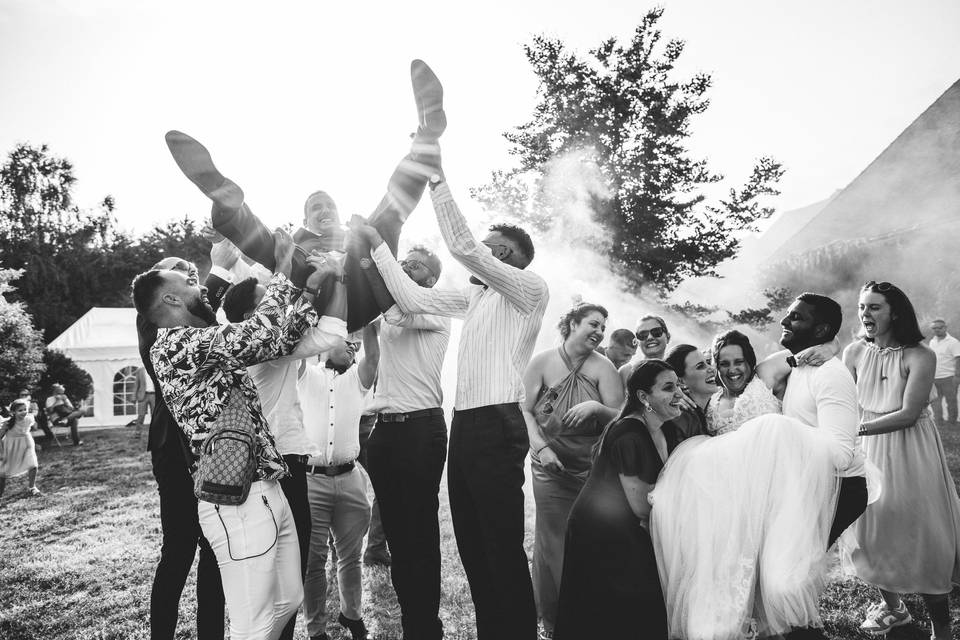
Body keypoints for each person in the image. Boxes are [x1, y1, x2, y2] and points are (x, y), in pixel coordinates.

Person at [355, 160, 548, 639]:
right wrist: (379, 246)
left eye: (497, 251)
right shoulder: (474, 300)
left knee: (500, 545)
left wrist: (437, 179)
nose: (484, 254)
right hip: (463, 426)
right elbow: (412, 299)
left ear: (515, 263)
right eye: (488, 248)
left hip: (498, 423)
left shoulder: (529, 290)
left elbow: (463, 247)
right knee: (473, 546)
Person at [135, 230, 325, 640]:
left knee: (288, 600)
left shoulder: (205, 341)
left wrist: (307, 294)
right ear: (169, 300)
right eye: (188, 282)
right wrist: (283, 271)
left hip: (267, 485)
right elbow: (260, 333)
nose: (200, 284)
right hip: (236, 500)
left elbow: (275, 337)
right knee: (251, 621)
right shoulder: (174, 344)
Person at [163, 59, 445, 332]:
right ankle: (227, 202)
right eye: (316, 208)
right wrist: (232, 241)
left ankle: (426, 138)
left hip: (367, 292)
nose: (325, 211)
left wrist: (357, 242)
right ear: (306, 219)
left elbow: (380, 227)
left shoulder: (355, 235)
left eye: (330, 206)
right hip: (321, 303)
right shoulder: (300, 243)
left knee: (384, 219)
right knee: (281, 252)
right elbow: (246, 271)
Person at [652, 319, 852, 640]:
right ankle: (755, 627)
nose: (733, 370)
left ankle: (789, 627)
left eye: (739, 362)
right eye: (724, 363)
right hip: (734, 499)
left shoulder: (765, 376)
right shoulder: (709, 399)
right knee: (744, 572)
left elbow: (802, 351)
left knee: (780, 572)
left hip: (775, 491)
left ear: (750, 361)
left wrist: (831, 347)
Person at [221, 250, 348, 640]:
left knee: (276, 573)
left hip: (273, 461)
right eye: (267, 299)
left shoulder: (254, 344)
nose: (280, 304)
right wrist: (337, 279)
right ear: (249, 318)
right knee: (281, 568)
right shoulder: (265, 347)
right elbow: (330, 334)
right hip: (274, 466)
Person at [843, 282, 960, 640]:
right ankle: (895, 609)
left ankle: (942, 629)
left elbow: (909, 413)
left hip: (910, 450)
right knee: (871, 528)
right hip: (867, 452)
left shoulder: (920, 355)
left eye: (874, 307)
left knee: (922, 531)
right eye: (863, 307)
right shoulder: (853, 352)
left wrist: (856, 429)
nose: (866, 314)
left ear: (895, 312)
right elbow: (842, 398)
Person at [553, 360, 681, 639]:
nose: (679, 394)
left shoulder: (666, 428)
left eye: (678, 385)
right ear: (644, 397)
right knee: (616, 612)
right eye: (669, 388)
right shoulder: (628, 434)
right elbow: (642, 506)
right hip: (602, 531)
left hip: (629, 524)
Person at [363, 244, 451, 640]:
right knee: (397, 534)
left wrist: (376, 253)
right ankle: (409, 621)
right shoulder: (386, 318)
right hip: (383, 433)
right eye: (404, 262)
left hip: (421, 431)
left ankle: (425, 626)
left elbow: (396, 305)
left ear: (429, 280)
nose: (404, 267)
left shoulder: (433, 307)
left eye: (414, 266)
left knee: (419, 532)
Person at [521, 302, 624, 639]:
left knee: (587, 539)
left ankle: (589, 609)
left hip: (592, 467)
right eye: (593, 324)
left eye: (603, 328)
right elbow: (524, 412)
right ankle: (558, 618)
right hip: (549, 465)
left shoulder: (604, 367)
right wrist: (542, 449)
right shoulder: (541, 362)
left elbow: (622, 417)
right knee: (553, 540)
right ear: (572, 324)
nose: (599, 332)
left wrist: (597, 406)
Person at [136, 256, 225, 640]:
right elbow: (203, 306)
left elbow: (207, 311)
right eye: (184, 274)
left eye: (193, 273)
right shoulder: (155, 327)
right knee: (178, 549)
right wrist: (219, 266)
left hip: (205, 448)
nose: (193, 280)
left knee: (213, 549)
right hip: (173, 447)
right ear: (165, 293)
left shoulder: (191, 321)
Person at [297, 323, 379, 640]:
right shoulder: (306, 375)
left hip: (350, 479)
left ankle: (352, 616)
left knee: (351, 557)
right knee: (314, 560)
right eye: (346, 342)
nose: (352, 347)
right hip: (311, 480)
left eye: (353, 345)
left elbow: (372, 355)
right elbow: (299, 345)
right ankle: (315, 629)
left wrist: (369, 322)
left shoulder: (357, 381)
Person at [663, 344, 717, 439]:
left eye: (708, 362)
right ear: (680, 381)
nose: (712, 369)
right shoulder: (681, 418)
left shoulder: (709, 409)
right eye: (700, 366)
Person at [0, 399, 41, 498]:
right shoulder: (8, 423)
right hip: (11, 446)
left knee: (33, 464)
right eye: (20, 410)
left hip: (27, 443)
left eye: (25, 409)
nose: (24, 412)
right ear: (13, 412)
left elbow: (34, 427)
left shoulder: (29, 419)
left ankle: (32, 487)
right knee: (3, 472)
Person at [619, 315, 671, 385]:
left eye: (656, 332)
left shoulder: (680, 367)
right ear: (638, 343)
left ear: (668, 337)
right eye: (643, 335)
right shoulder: (626, 372)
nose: (650, 337)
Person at [928, 318, 960, 426]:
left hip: (949, 377)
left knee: (951, 401)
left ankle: (952, 422)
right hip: (935, 377)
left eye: (939, 328)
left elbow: (958, 359)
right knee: (935, 401)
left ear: (945, 328)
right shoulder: (932, 341)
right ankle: (939, 422)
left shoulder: (953, 342)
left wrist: (957, 376)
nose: (937, 330)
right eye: (934, 328)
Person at [134, 366, 156, 432]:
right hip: (143, 395)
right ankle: (137, 433)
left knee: (155, 415)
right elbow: (136, 384)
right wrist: (134, 397)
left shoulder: (155, 369)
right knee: (141, 415)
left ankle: (156, 433)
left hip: (154, 395)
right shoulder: (140, 370)